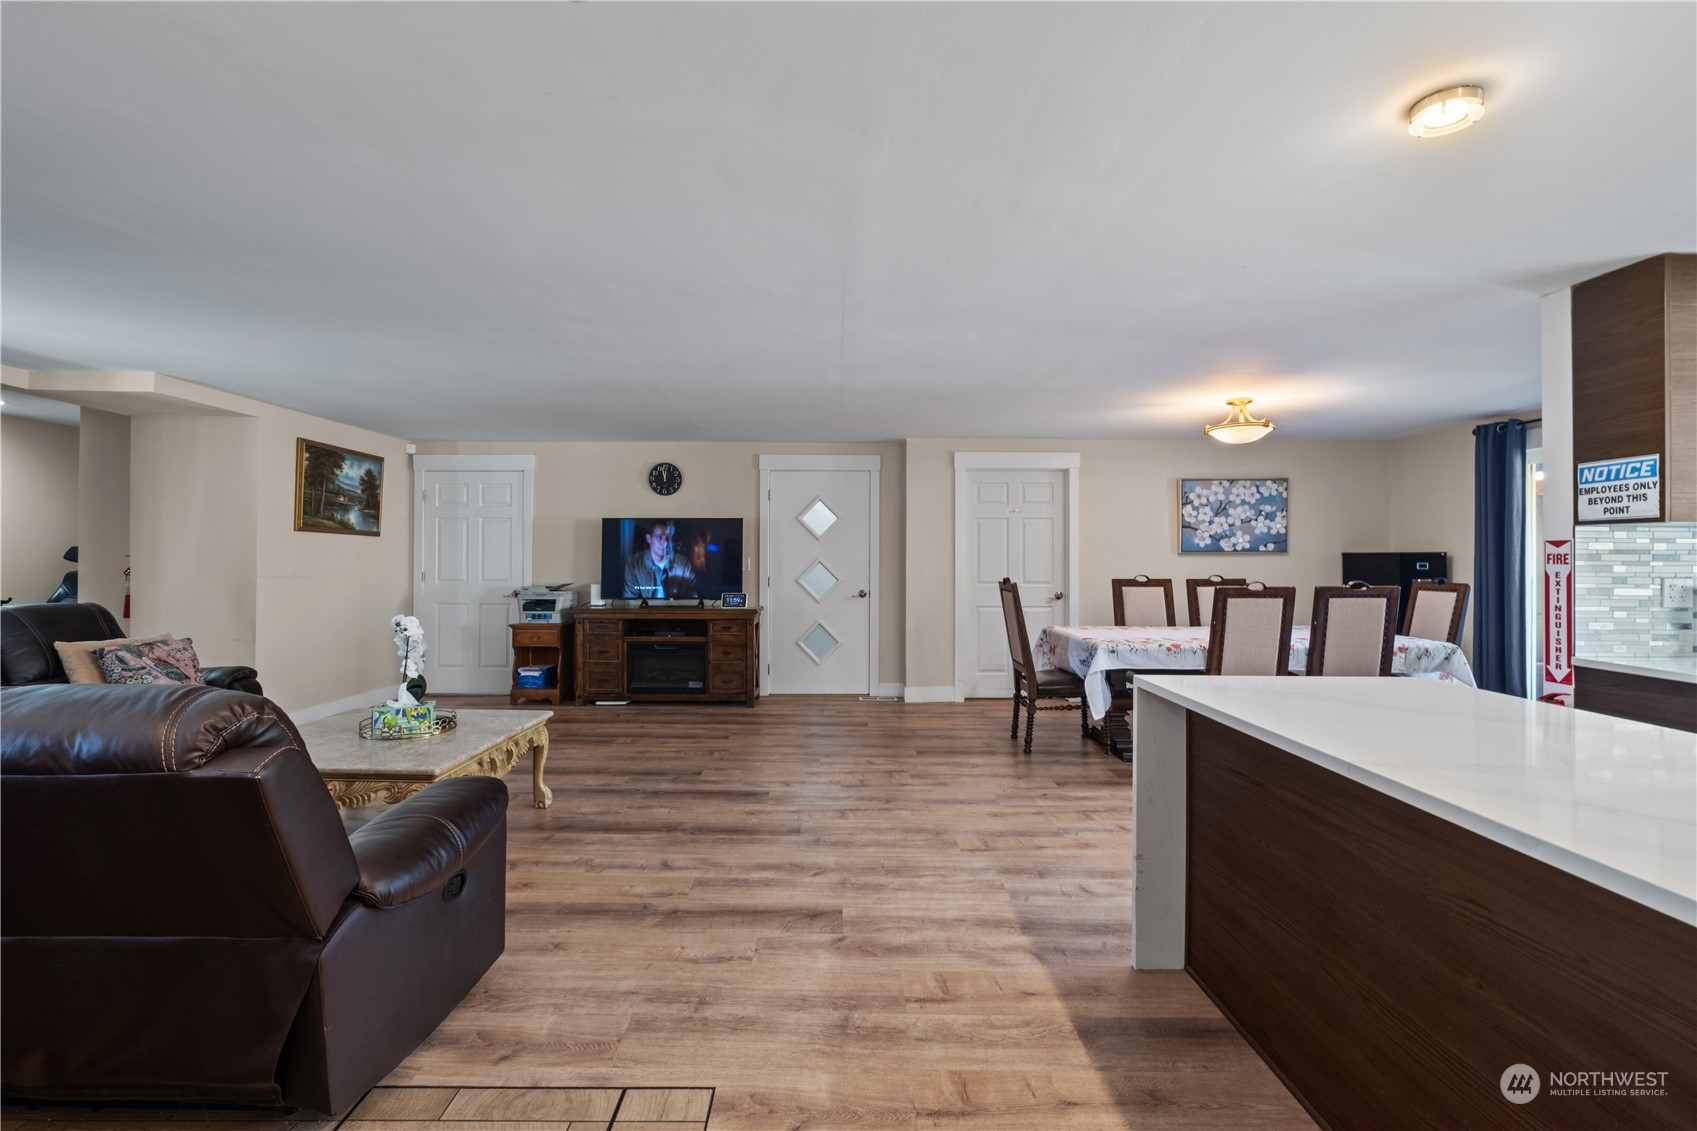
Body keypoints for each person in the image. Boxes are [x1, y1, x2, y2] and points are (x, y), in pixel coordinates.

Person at [623, 521, 698, 599]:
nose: (665, 543)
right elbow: (630, 601)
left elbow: (690, 600)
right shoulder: (634, 563)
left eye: (668, 538)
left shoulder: (684, 565)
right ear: (648, 538)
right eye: (659, 537)